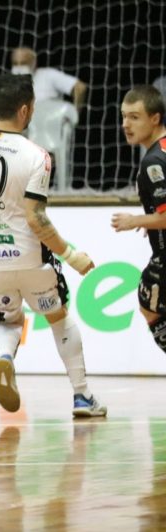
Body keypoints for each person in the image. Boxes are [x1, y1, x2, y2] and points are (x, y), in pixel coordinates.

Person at [0, 73, 106, 417]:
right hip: (28, 257)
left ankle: (5, 358)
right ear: (26, 109)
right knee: (58, 318)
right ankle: (82, 396)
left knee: (9, 321)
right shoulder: (37, 155)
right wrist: (72, 255)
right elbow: (36, 218)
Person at [111, 85, 166, 354]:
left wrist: (136, 220)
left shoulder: (153, 162)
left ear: (154, 118)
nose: (126, 124)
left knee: (149, 302)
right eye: (123, 116)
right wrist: (151, 219)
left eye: (134, 117)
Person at [11, 47, 87, 112]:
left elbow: (80, 87)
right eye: (15, 63)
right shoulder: (10, 84)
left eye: (24, 63)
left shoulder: (48, 75)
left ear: (34, 62)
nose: (19, 67)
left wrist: (74, 115)